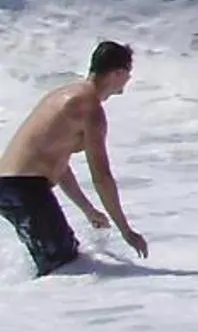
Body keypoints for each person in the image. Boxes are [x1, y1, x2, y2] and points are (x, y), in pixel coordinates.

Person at [1, 41, 149, 275]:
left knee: (59, 259)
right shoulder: (90, 109)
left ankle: (33, 301)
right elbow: (101, 176)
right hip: (25, 188)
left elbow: (58, 166)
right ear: (117, 73)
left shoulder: (64, 94)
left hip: (11, 185)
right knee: (64, 263)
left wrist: (88, 210)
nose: (128, 81)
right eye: (128, 74)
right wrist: (126, 230)